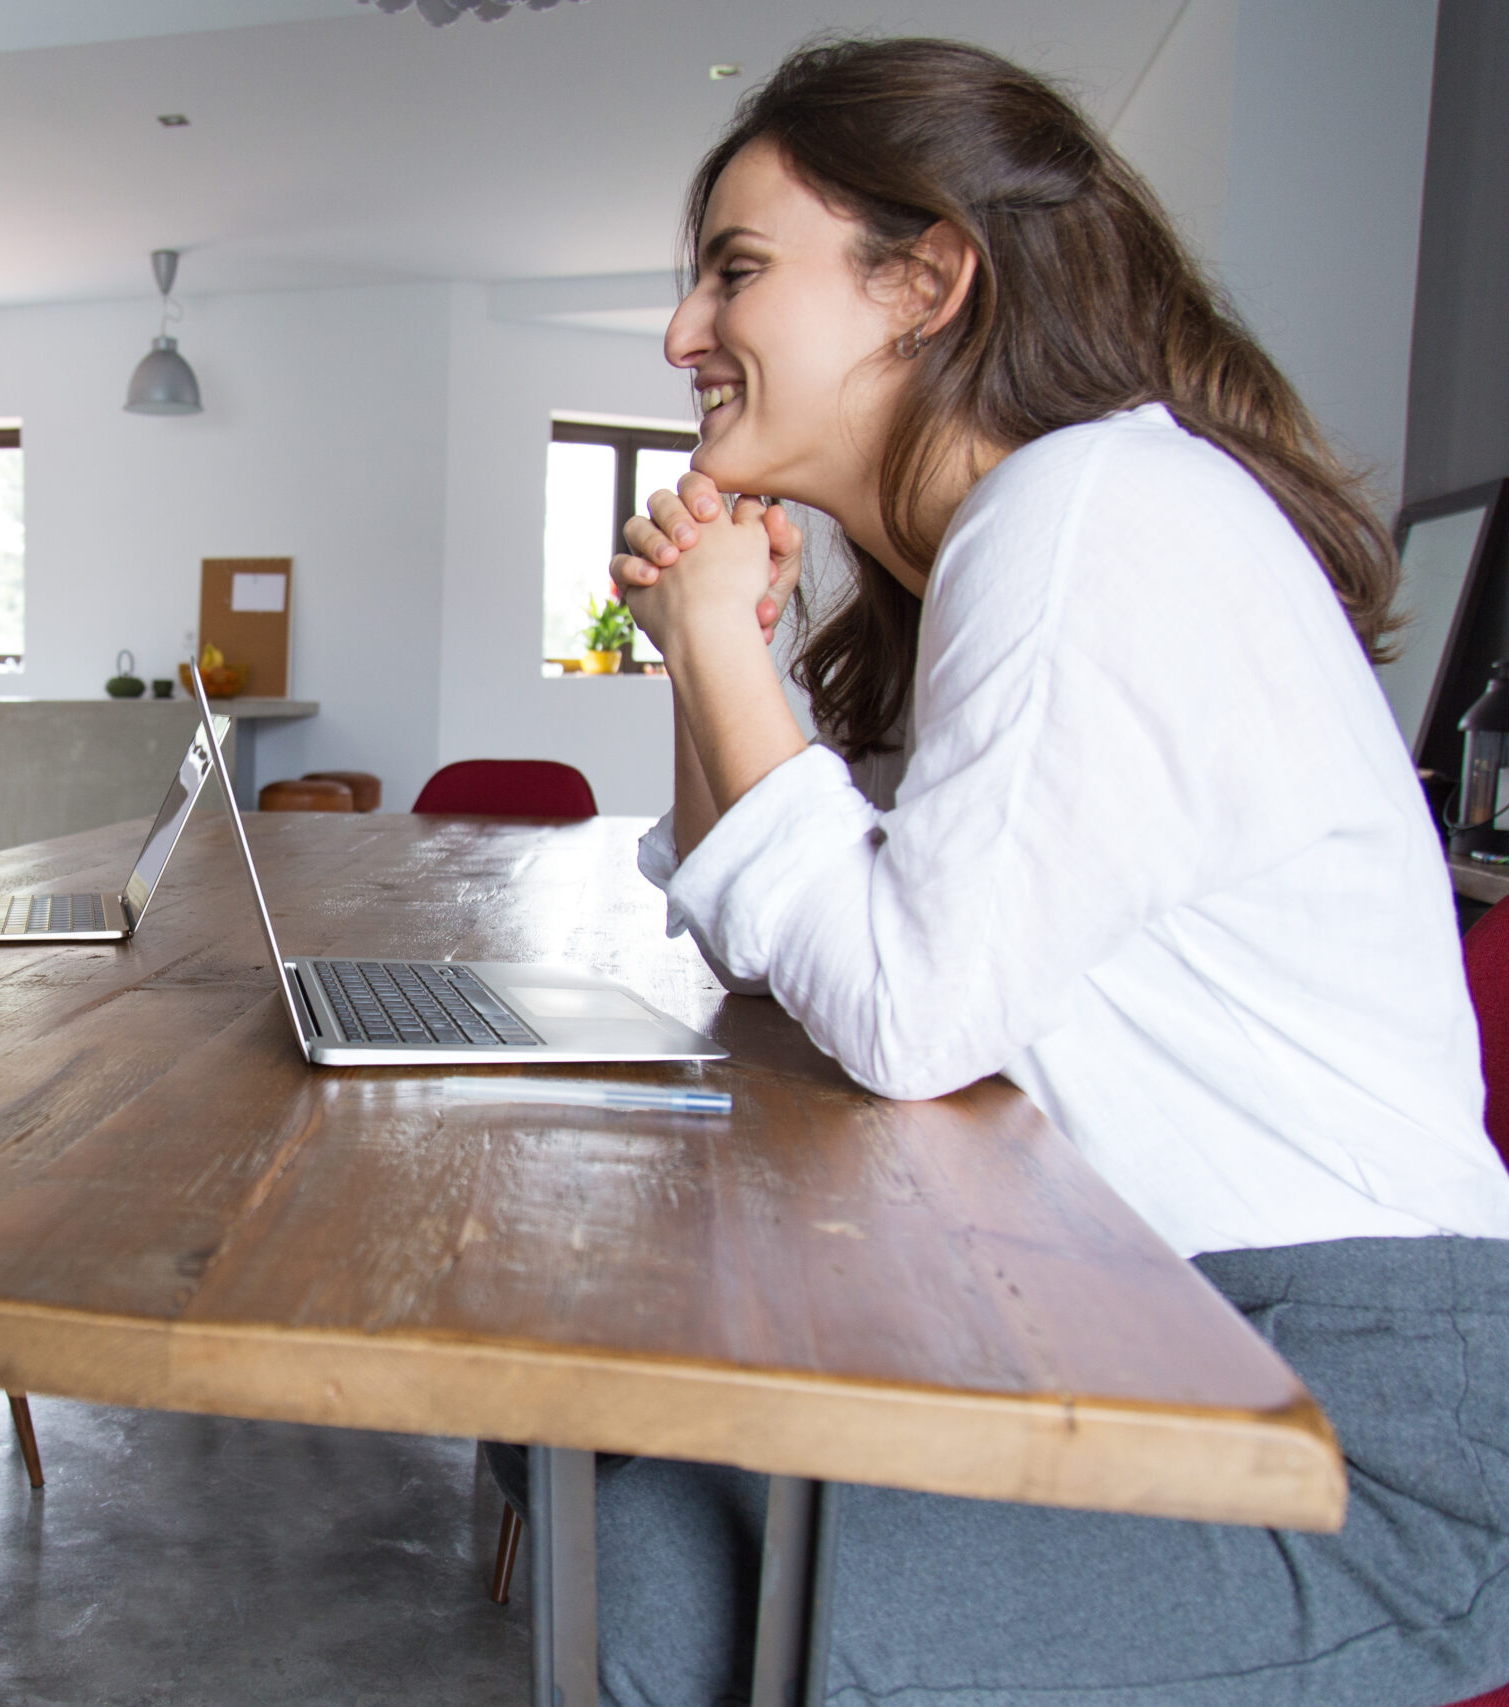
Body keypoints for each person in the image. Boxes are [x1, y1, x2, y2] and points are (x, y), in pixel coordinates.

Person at [507, 37, 1509, 1707]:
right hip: (1148, 1340)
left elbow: (905, 1013)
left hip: (1351, 1430)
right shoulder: (1006, 549)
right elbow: (776, 959)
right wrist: (712, 656)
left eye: (737, 272)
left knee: (655, 1605)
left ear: (925, 283)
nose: (684, 334)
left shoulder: (1087, 513)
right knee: (602, 1488)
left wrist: (713, 646)